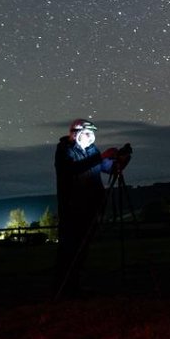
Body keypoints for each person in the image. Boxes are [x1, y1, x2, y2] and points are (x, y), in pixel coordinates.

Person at [53, 118, 122, 298]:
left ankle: (74, 287)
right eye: (87, 133)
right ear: (76, 133)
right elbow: (73, 170)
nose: (91, 137)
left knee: (82, 250)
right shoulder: (64, 151)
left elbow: (107, 168)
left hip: (92, 207)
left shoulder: (92, 150)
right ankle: (63, 288)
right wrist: (102, 156)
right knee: (70, 249)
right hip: (72, 208)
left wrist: (119, 160)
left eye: (92, 134)